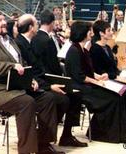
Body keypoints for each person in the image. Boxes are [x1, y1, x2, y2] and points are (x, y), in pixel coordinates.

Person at [0, 10, 62, 154]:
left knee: (48, 98)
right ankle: (26, 150)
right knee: (26, 102)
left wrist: (30, 79)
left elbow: (21, 63)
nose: (4, 22)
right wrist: (11, 66)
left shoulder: (9, 39)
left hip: (15, 87)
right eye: (0, 20)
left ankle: (43, 144)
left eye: (4, 19)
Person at [14, 14, 86, 148]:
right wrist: (49, 86)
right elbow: (29, 72)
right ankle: (43, 139)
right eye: (36, 23)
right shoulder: (20, 44)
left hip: (41, 81)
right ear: (31, 27)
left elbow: (38, 68)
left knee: (73, 95)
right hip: (30, 86)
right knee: (62, 99)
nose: (38, 26)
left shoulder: (28, 42)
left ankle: (63, 135)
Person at [64, 21, 126, 144]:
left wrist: (99, 77)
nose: (91, 34)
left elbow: (89, 71)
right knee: (112, 99)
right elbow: (80, 76)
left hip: (86, 84)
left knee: (116, 95)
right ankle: (102, 133)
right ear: (83, 33)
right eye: (89, 31)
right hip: (79, 88)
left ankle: (116, 133)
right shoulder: (74, 51)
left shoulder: (84, 50)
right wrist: (96, 82)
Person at [90, 19, 126, 136]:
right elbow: (99, 71)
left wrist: (123, 75)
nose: (112, 32)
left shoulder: (108, 49)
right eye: (109, 30)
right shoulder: (95, 49)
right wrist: (116, 77)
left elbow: (114, 68)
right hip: (105, 82)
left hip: (114, 78)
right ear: (101, 33)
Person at [31, 10, 64, 75]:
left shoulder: (33, 37)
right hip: (49, 76)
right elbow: (53, 63)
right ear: (52, 23)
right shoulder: (48, 41)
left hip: (38, 73)